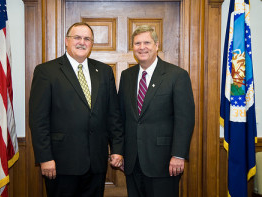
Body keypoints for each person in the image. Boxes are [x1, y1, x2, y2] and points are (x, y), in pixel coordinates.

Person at [29, 22, 124, 197]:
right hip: (60, 163)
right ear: (66, 41)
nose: (82, 42)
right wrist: (45, 158)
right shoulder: (46, 71)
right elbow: (38, 120)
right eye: (77, 37)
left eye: (87, 39)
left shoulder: (103, 71)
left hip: (96, 164)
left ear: (92, 43)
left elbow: (113, 115)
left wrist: (117, 148)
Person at [118, 25, 195, 197]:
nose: (142, 47)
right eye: (137, 43)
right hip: (132, 161)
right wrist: (121, 152)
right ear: (133, 47)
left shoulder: (176, 75)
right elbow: (121, 117)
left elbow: (185, 119)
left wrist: (178, 155)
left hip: (164, 161)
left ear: (157, 45)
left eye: (147, 42)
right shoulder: (127, 76)